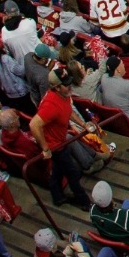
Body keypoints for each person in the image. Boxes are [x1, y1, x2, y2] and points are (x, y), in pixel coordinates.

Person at [30, 71, 92, 208]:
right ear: (56, 88)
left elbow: (68, 111)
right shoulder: (50, 104)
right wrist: (46, 148)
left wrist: (83, 124)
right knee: (73, 172)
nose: (70, 86)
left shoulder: (63, 96)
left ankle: (57, 197)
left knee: (58, 170)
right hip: (55, 146)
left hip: (61, 140)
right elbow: (34, 124)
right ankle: (85, 203)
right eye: (66, 85)